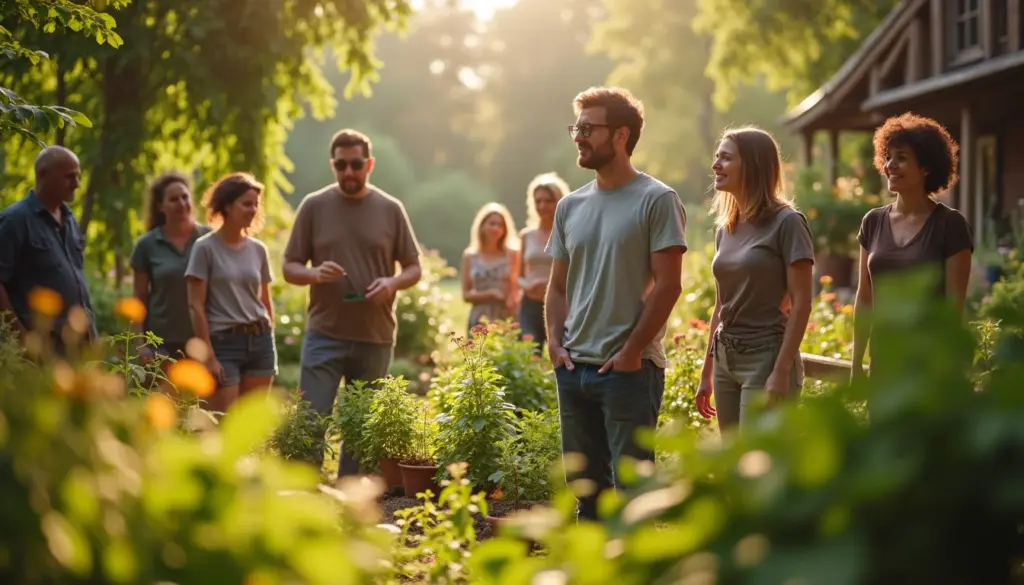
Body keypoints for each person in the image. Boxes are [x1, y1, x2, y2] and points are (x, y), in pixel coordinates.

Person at [546, 86, 687, 521]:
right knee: (586, 492)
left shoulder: (657, 200)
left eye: (588, 128)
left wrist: (629, 352)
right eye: (576, 128)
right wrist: (555, 344)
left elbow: (668, 286)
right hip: (573, 369)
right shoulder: (570, 206)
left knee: (634, 493)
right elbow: (556, 288)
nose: (578, 137)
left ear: (621, 136)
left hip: (628, 371)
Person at [282, 128, 422, 478]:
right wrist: (314, 274)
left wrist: (392, 282)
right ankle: (304, 499)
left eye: (356, 164)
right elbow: (289, 267)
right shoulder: (314, 206)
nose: (348, 172)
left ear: (369, 164)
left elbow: (414, 267)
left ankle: (349, 504)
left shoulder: (390, 209)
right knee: (311, 421)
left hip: (375, 336)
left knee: (361, 432)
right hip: (324, 334)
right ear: (333, 165)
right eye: (341, 165)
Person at [694, 127, 815, 432]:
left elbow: (802, 303)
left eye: (726, 158)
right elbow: (722, 305)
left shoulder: (788, 223)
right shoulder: (726, 228)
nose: (715, 165)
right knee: (734, 464)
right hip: (725, 358)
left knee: (758, 463)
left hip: (767, 358)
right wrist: (706, 371)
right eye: (716, 157)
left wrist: (782, 369)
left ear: (753, 165)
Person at [851, 113, 973, 379]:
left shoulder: (950, 225)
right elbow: (865, 297)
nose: (890, 165)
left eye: (902, 157)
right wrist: (856, 362)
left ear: (926, 167)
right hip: (883, 364)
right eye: (888, 157)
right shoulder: (872, 222)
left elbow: (953, 309)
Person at [185, 172, 277, 413]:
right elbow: (196, 306)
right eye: (247, 203)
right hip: (224, 343)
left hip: (260, 341)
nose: (253, 209)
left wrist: (269, 337)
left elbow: (265, 299)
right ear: (227, 205)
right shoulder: (204, 248)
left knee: (251, 426)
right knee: (222, 423)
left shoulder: (259, 250)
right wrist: (209, 357)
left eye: (256, 204)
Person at [0, 145, 96, 355]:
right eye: (69, 177)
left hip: (79, 346)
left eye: (78, 176)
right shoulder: (15, 221)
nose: (77, 184)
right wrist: (21, 336)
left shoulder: (69, 219)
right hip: (43, 349)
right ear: (42, 174)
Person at [130, 172, 211, 361]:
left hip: (205, 341)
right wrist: (140, 346)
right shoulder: (147, 245)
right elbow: (138, 299)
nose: (182, 204)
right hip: (161, 344)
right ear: (160, 206)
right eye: (173, 199)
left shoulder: (209, 239)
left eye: (185, 197)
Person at [517, 172, 568, 351]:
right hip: (530, 306)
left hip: (560, 304)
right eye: (538, 201)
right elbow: (518, 277)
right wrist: (528, 285)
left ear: (559, 202)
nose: (542, 205)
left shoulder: (567, 234)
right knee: (530, 354)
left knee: (562, 353)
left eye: (548, 200)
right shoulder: (526, 236)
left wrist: (549, 284)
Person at [462, 202, 520, 331]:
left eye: (500, 225)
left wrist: (513, 300)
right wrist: (490, 294)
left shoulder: (512, 254)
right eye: (492, 224)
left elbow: (518, 287)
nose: (496, 229)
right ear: (482, 226)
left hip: (506, 318)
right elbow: (465, 295)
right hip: (478, 319)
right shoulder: (470, 256)